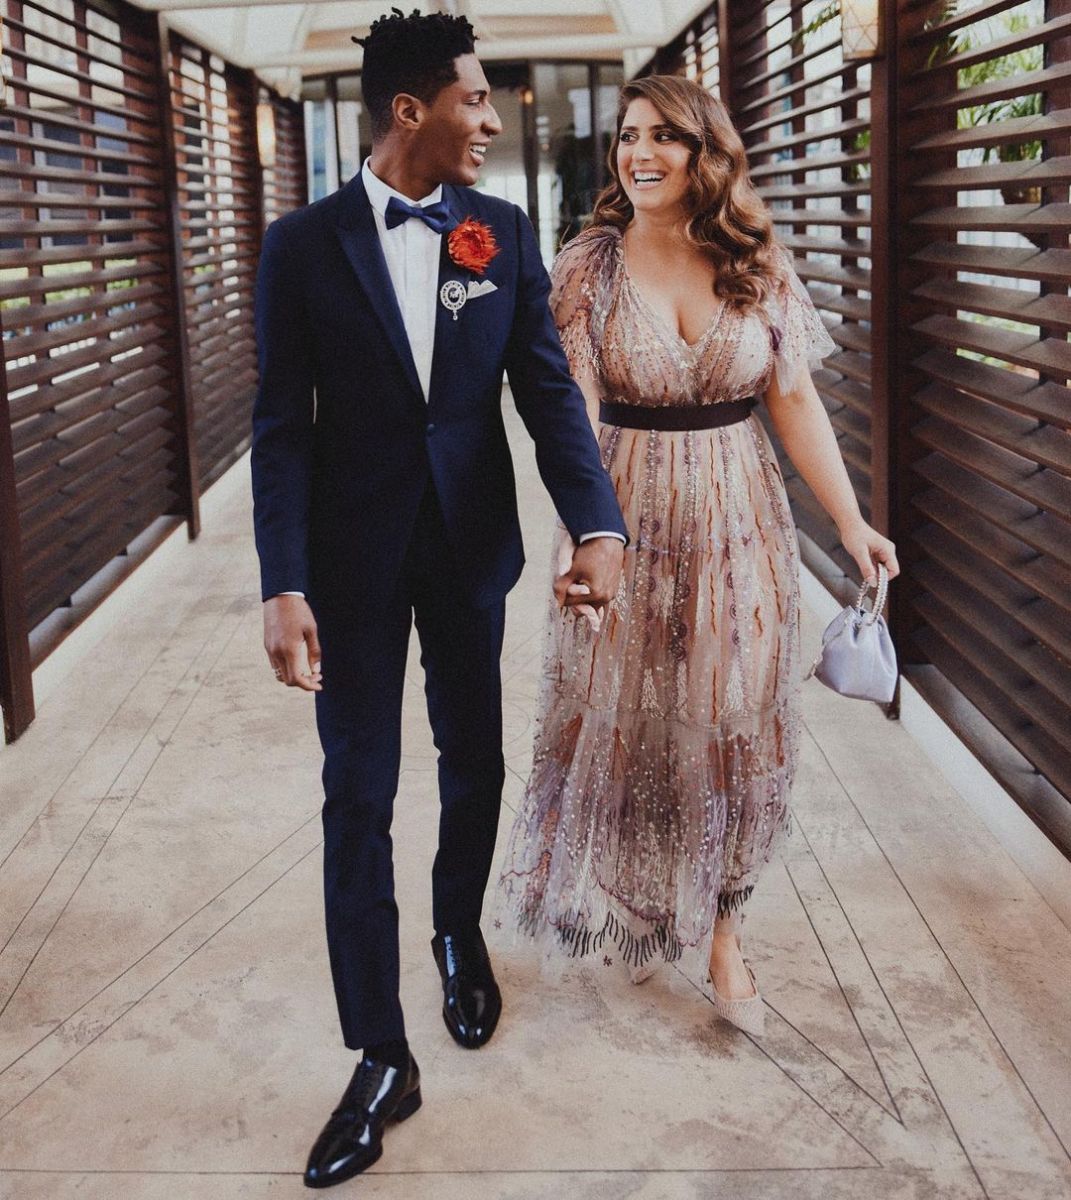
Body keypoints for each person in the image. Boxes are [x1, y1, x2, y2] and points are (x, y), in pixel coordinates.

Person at [250, 8, 627, 1188]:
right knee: (354, 795)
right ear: (410, 112)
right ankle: (378, 1057)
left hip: (469, 548)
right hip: (349, 565)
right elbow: (278, 428)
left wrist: (599, 519)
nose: (490, 116)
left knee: (475, 759)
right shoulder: (301, 246)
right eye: (474, 97)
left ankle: (457, 931)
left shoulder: (501, 233)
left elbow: (548, 395)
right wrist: (284, 580)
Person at [499, 75, 898, 1037]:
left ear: (704, 153)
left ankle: (721, 930)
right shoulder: (587, 269)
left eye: (662, 138)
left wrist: (849, 524)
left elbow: (792, 401)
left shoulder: (754, 264)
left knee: (729, 723)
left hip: (740, 523)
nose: (638, 155)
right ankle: (642, 901)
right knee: (631, 721)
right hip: (621, 516)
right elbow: (570, 415)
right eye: (628, 137)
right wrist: (584, 538)